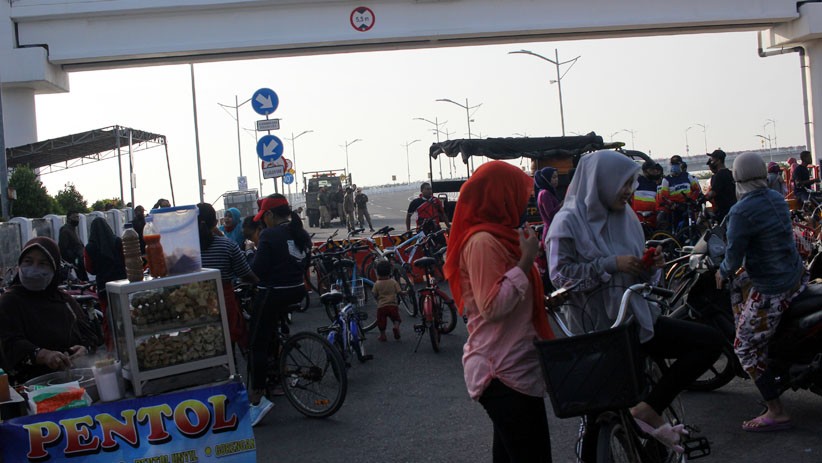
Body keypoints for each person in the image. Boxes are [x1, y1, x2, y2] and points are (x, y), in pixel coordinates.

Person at [547, 150, 723, 453]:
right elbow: (560, 277)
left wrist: (651, 265)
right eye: (623, 183)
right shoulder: (567, 222)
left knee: (710, 342)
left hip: (636, 319)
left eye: (631, 183)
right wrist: (610, 264)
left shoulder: (626, 216)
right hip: (597, 331)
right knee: (598, 417)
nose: (629, 191)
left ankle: (650, 408)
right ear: (601, 182)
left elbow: (643, 280)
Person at [444, 160, 554, 462]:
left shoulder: (502, 236)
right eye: (518, 194)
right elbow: (491, 306)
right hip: (502, 371)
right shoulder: (483, 242)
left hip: (515, 365)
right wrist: (525, 261)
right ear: (500, 197)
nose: (524, 202)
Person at [715, 152, 806, 432]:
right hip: (795, 275)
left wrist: (722, 271)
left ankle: (776, 410)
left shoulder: (741, 211)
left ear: (737, 178)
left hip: (772, 288)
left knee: (743, 346)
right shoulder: (777, 198)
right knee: (743, 286)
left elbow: (733, 253)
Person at [0, 237, 101, 384]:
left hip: (75, 383)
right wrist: (42, 355)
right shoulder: (9, 302)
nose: (34, 268)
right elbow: (8, 344)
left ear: (54, 269)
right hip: (30, 391)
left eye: (43, 263)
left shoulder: (65, 301)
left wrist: (83, 350)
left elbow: (90, 336)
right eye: (28, 261)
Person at [248, 194, 312, 426]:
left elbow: (258, 270)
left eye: (263, 218)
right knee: (271, 333)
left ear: (270, 215)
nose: (262, 223)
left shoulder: (269, 234)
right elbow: (304, 264)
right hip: (297, 290)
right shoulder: (301, 233)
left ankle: (257, 398)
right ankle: (277, 373)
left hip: (273, 293)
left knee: (256, 343)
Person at [197, 203, 258, 355]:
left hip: (195, 307)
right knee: (228, 350)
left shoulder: (185, 249)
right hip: (224, 304)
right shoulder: (227, 245)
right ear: (215, 222)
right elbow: (245, 273)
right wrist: (258, 281)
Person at [83, 217, 127, 313]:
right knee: (126, 312)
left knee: (108, 314)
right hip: (121, 283)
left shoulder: (89, 247)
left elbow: (90, 269)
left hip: (104, 286)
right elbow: (126, 260)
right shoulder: (118, 241)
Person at [657, 155, 702, 231]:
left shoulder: (687, 176)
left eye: (677, 164)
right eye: (674, 164)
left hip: (687, 207)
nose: (675, 166)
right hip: (674, 209)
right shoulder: (666, 180)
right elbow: (664, 197)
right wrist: (672, 204)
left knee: (692, 229)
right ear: (670, 165)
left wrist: (692, 199)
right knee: (676, 230)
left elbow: (697, 190)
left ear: (681, 165)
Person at [372, 259, 402, 342]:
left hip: (381, 306)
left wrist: (377, 299)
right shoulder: (393, 282)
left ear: (377, 273)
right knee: (396, 319)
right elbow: (399, 292)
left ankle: (383, 335)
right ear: (390, 272)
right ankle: (396, 327)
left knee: (381, 322)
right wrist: (405, 292)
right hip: (393, 305)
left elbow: (374, 294)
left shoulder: (377, 284)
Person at [705, 149, 737, 223]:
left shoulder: (719, 175)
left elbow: (712, 193)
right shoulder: (730, 173)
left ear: (719, 161)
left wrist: (703, 198)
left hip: (723, 212)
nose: (711, 162)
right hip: (733, 208)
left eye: (712, 160)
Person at [58, 210, 89, 282]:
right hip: (74, 262)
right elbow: (63, 248)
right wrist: (73, 259)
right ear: (69, 219)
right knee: (79, 281)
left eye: (78, 217)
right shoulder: (65, 230)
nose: (77, 219)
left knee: (84, 280)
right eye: (75, 217)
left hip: (79, 260)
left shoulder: (73, 229)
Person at [632, 161, 662, 229]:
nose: (654, 171)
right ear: (645, 171)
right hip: (638, 217)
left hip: (652, 218)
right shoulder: (638, 181)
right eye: (651, 170)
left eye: (654, 169)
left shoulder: (655, 183)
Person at [535, 167, 561, 242]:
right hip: (551, 233)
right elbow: (551, 214)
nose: (556, 179)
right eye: (554, 177)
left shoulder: (550, 192)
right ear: (546, 179)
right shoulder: (545, 194)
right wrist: (562, 205)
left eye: (557, 177)